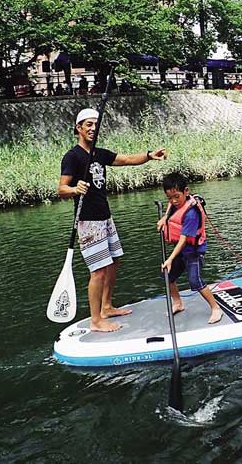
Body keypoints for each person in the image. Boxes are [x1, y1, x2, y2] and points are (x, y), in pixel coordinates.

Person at [58, 108, 168, 332]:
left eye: (95, 124)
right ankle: (96, 320)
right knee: (98, 270)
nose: (93, 128)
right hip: (89, 222)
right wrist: (74, 189)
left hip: (105, 217)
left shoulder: (98, 153)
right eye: (88, 124)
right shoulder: (73, 156)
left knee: (114, 260)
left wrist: (148, 156)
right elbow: (61, 189)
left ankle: (107, 306)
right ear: (79, 128)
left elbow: (126, 159)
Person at [157, 173, 223, 324]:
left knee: (195, 281)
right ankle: (178, 303)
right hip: (181, 251)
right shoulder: (175, 204)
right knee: (168, 276)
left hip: (193, 252)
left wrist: (170, 259)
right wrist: (164, 218)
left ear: (186, 192)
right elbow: (170, 207)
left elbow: (183, 239)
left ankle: (215, 308)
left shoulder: (191, 214)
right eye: (170, 198)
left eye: (176, 197)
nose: (173, 201)